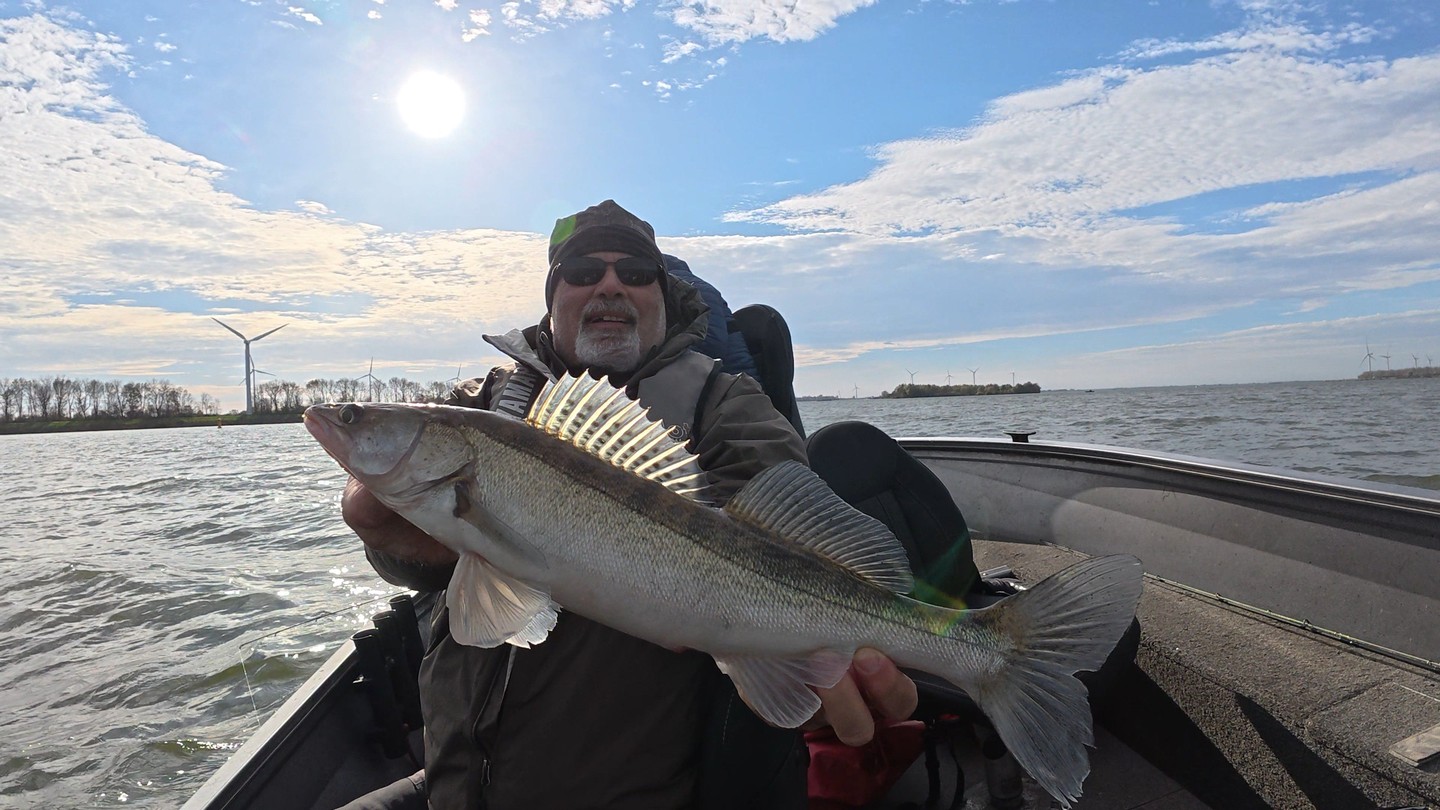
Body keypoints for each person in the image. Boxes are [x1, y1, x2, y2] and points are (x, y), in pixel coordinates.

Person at [340, 200, 918, 809]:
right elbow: (414, 565)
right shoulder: (485, 403)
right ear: (552, 298)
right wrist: (386, 531)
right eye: (583, 271)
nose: (610, 285)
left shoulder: (727, 406)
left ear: (664, 300)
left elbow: (779, 540)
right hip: (452, 778)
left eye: (637, 273)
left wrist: (809, 657)